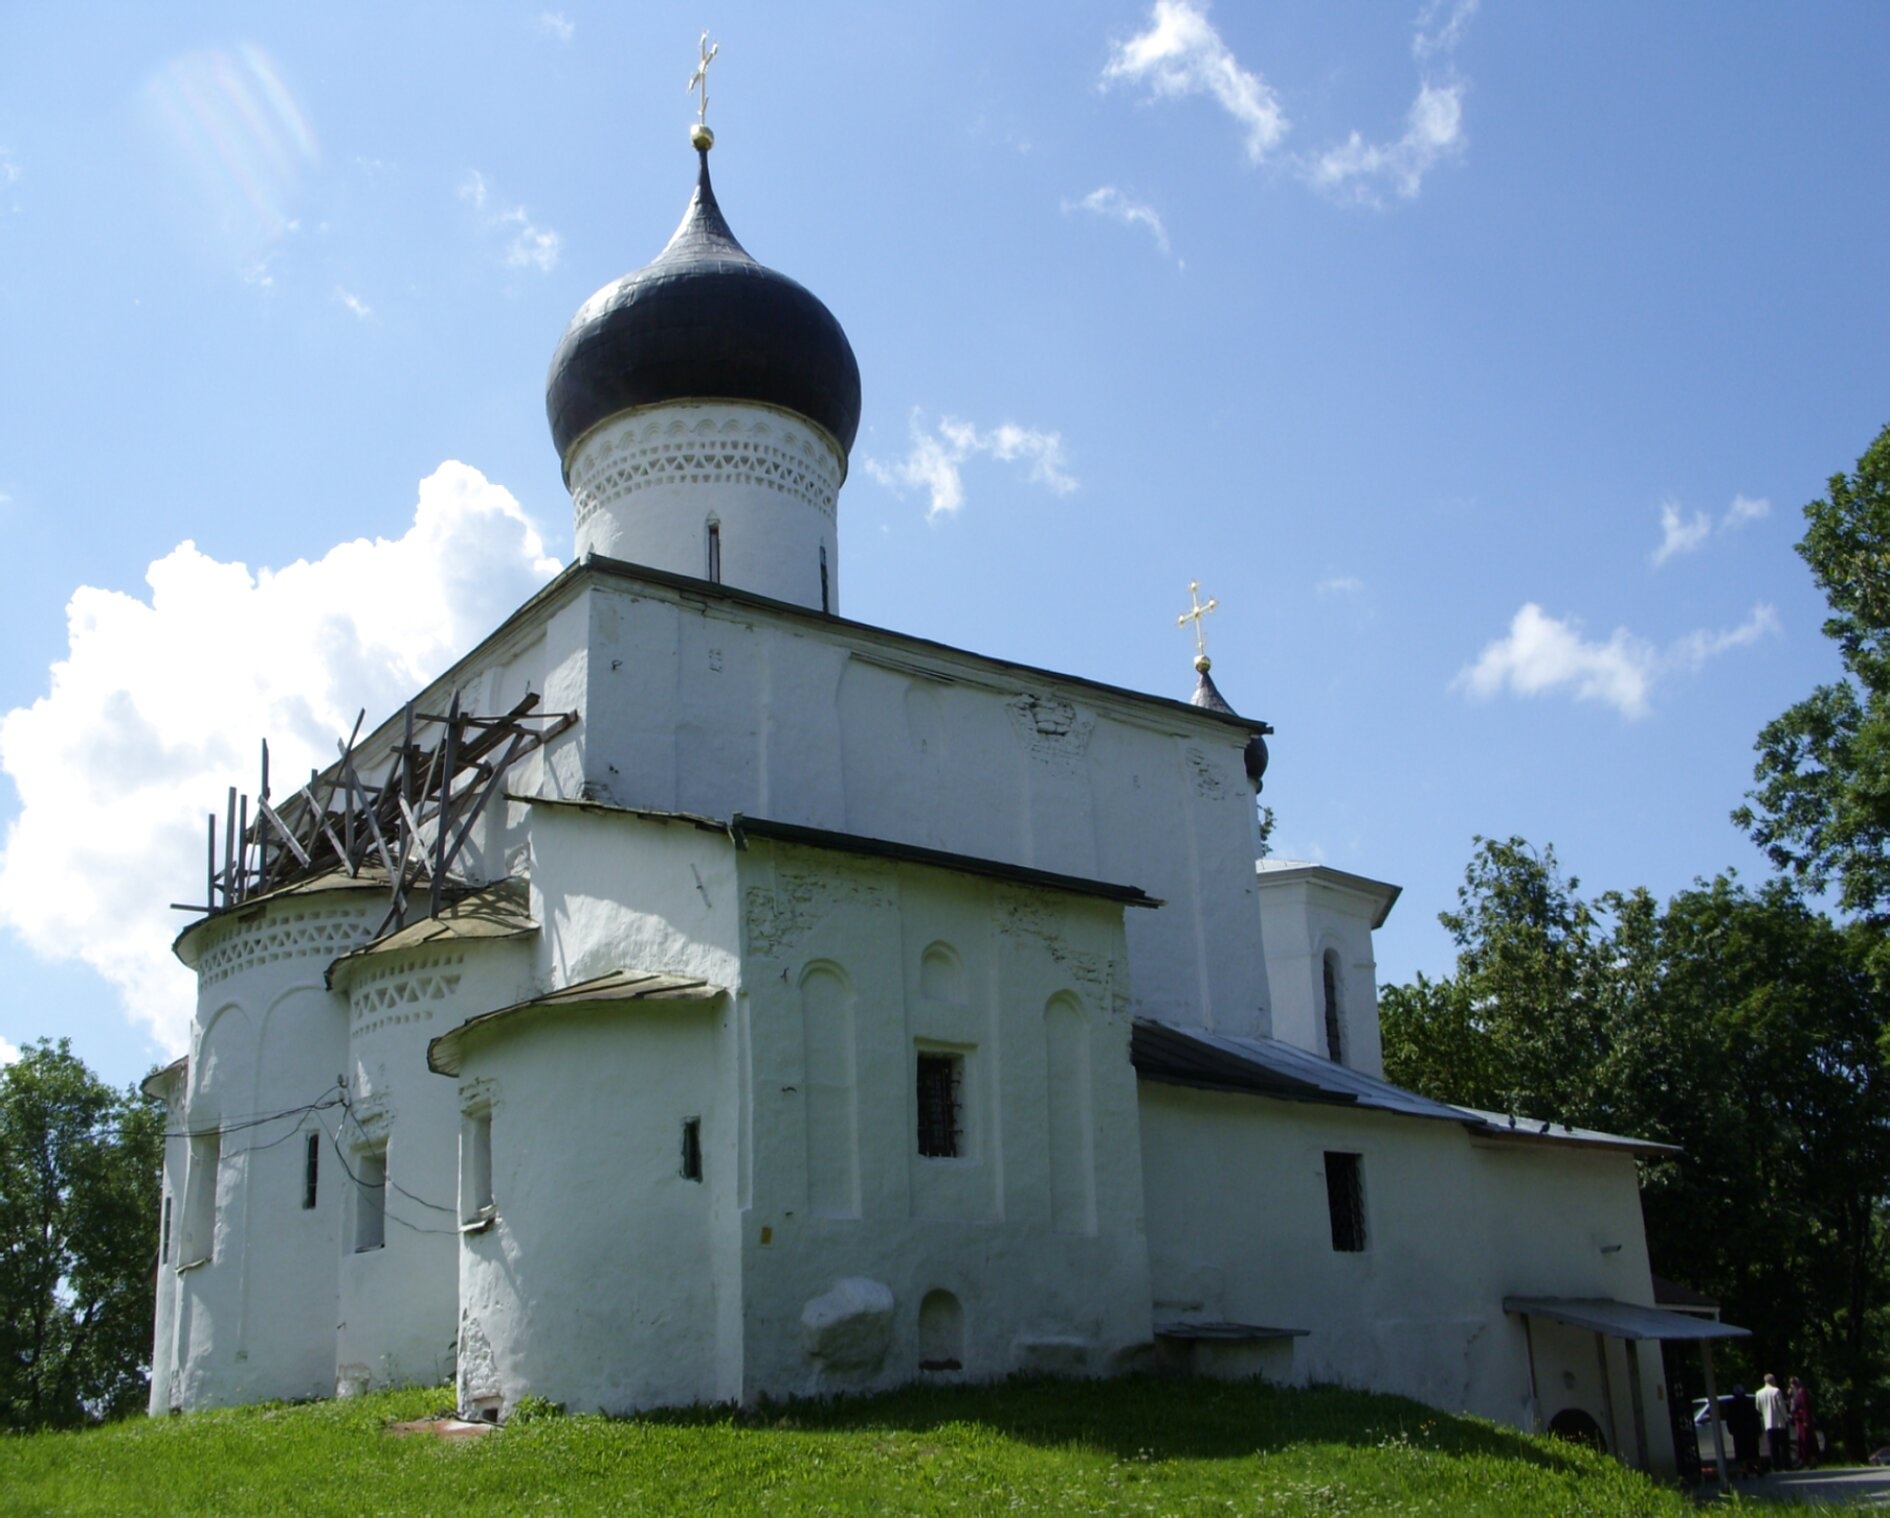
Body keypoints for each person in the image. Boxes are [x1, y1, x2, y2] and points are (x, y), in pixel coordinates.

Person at [1755, 1374, 1789, 1473]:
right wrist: (1786, 1418)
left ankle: (1776, 1465)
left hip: (1768, 1423)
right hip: (1779, 1422)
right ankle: (1786, 1465)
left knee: (1773, 1446)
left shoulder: (1759, 1393)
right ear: (1773, 1381)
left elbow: (1758, 1408)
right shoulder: (1776, 1391)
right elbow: (1781, 1406)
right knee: (1783, 1445)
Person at [1727, 1384, 1762, 1479]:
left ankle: (1745, 1471)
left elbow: (1729, 1419)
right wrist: (1759, 1430)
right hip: (1751, 1431)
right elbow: (1756, 1417)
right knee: (1754, 1451)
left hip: (1739, 1432)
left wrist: (1730, 1429)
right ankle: (1758, 1470)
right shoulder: (1749, 1402)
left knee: (1741, 1453)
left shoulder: (1731, 1404)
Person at [1789, 1376, 1817, 1470]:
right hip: (1799, 1420)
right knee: (1802, 1441)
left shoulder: (1802, 1392)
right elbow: (1793, 1405)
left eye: (1793, 1383)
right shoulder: (1795, 1393)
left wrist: (1805, 1419)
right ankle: (1807, 1461)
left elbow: (1805, 1406)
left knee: (1807, 1440)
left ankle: (1811, 1461)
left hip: (1803, 1420)